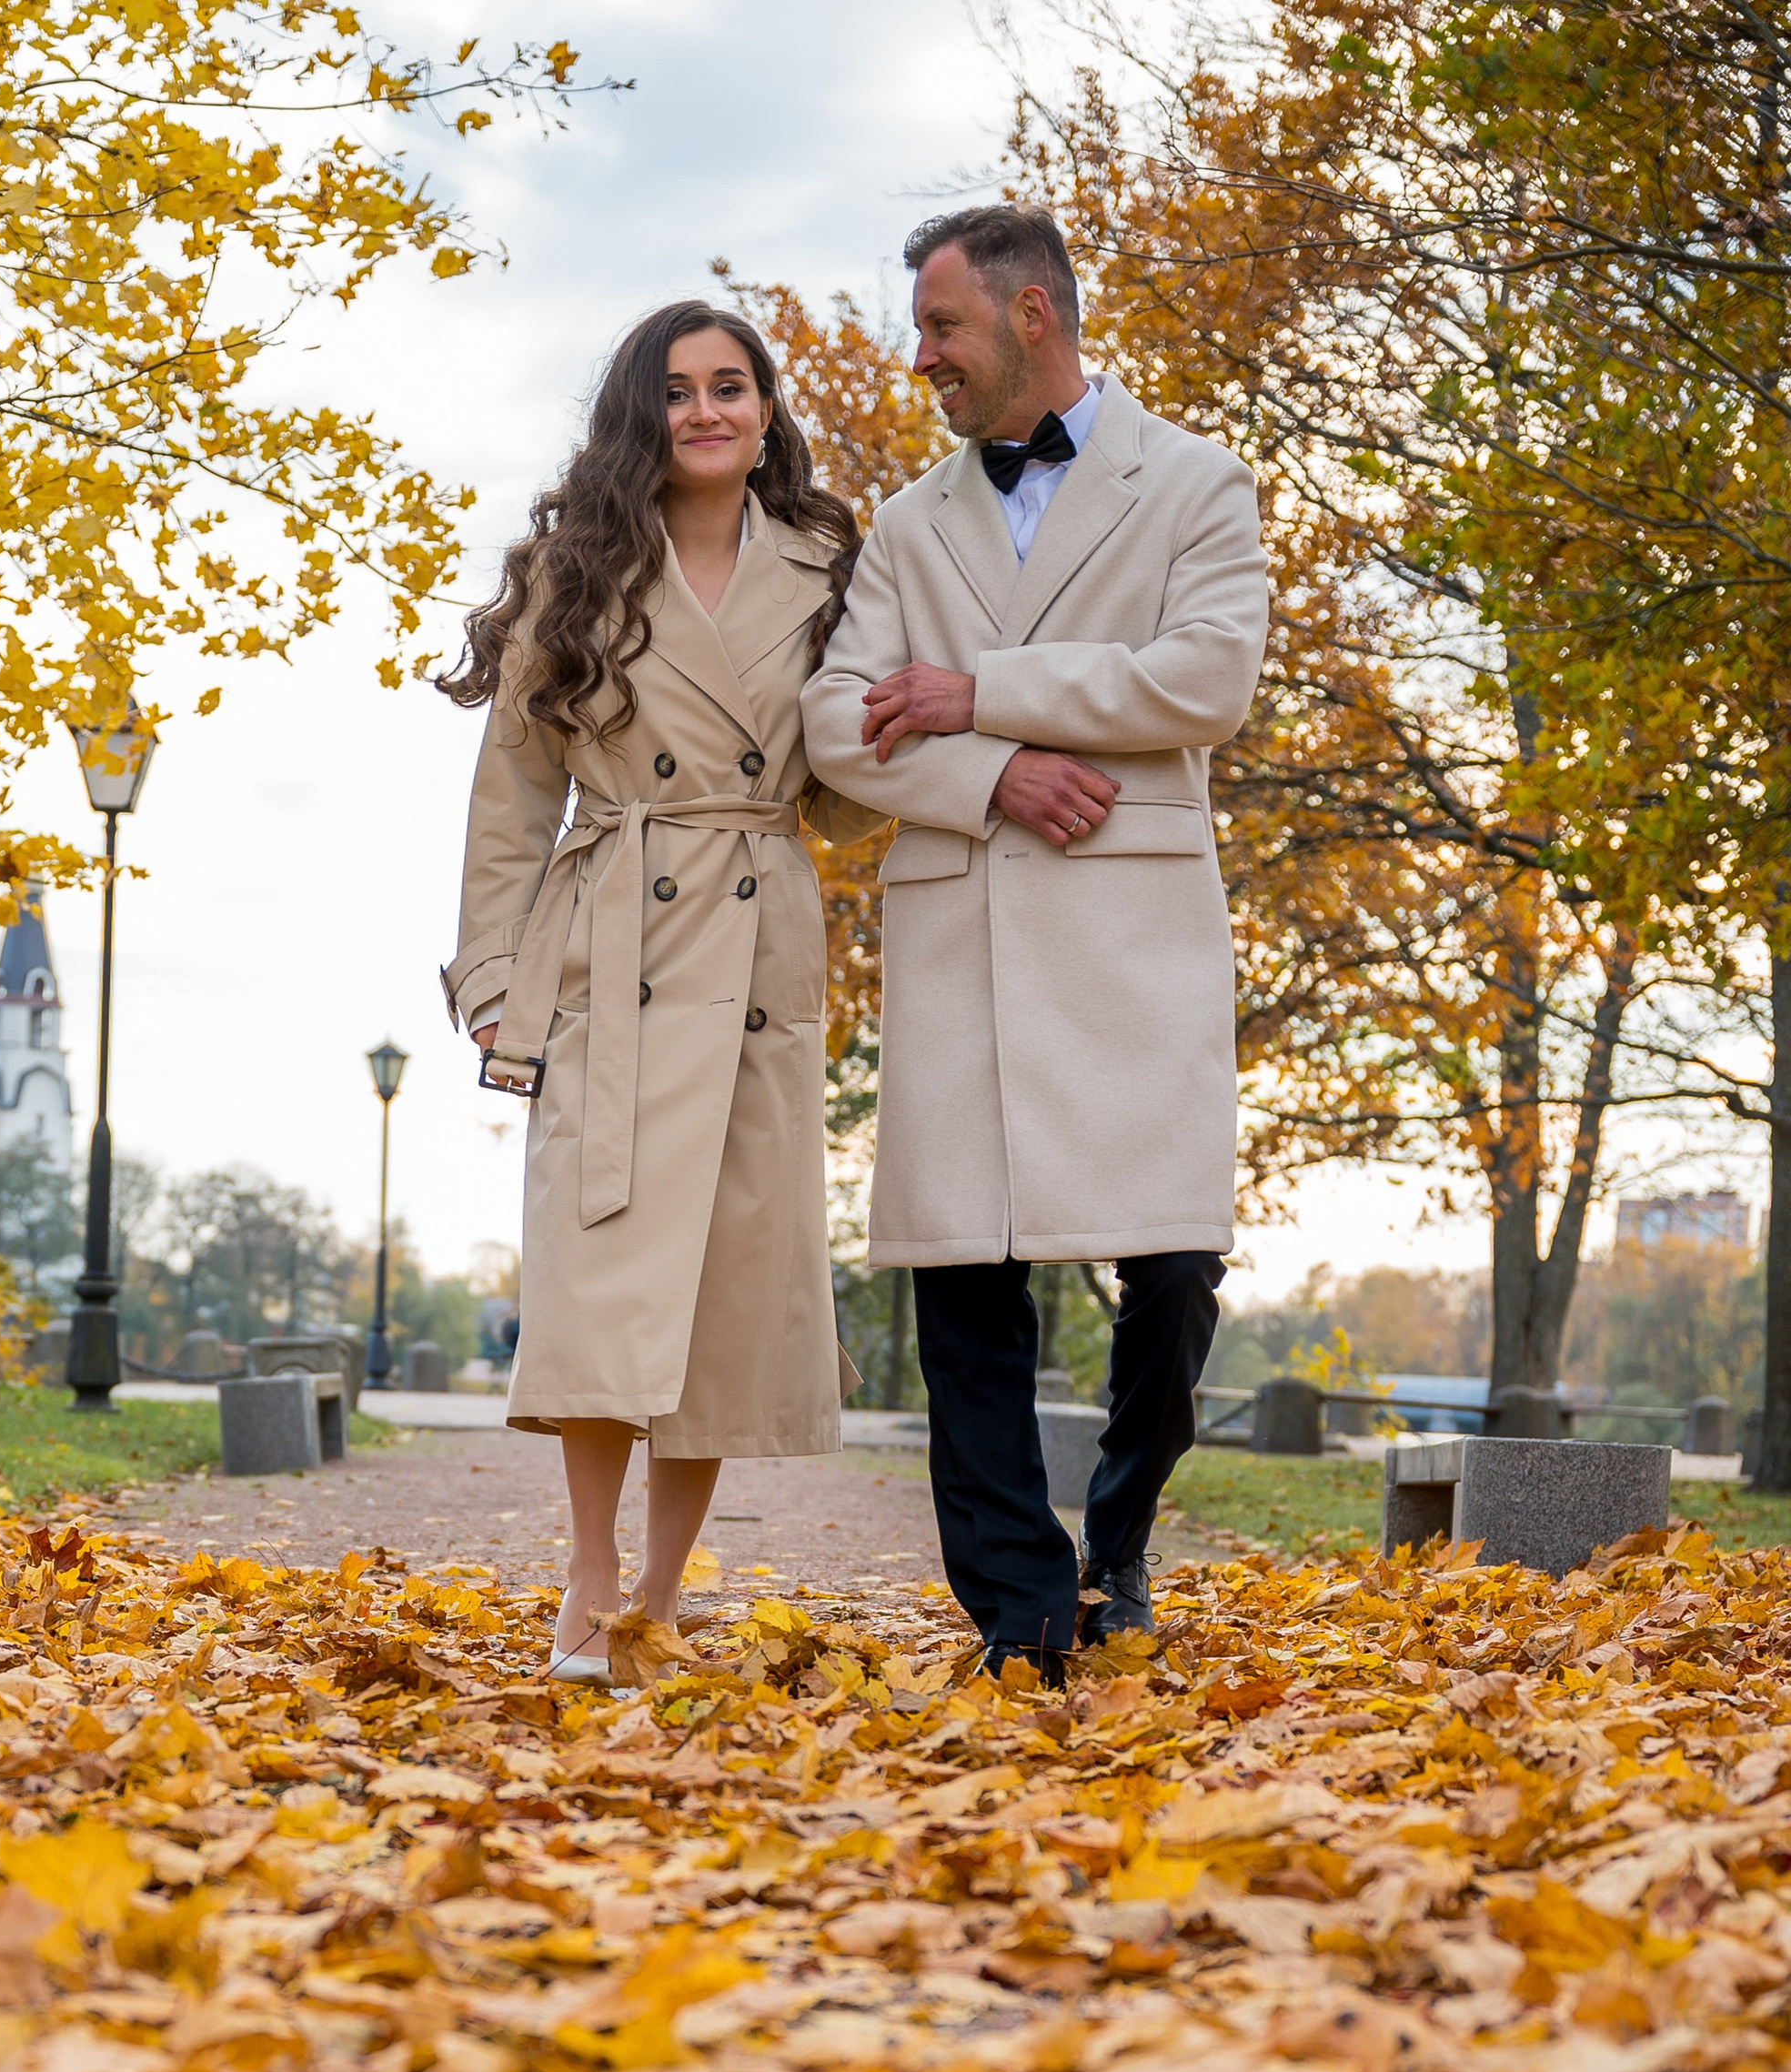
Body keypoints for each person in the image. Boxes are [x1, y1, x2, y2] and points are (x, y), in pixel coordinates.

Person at [802, 204, 1268, 1678]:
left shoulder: (1198, 483)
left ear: (1034, 317)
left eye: (942, 328)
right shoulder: (905, 523)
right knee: (966, 1287)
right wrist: (991, 773)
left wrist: (981, 691)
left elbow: (1205, 679)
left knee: (1178, 1269)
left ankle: (1120, 1536)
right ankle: (1016, 1602)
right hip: (969, 935)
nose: (922, 357)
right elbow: (836, 722)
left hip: (1135, 929)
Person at [439, 301, 867, 1684]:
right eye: (677, 392)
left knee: (722, 1297)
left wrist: (928, 737)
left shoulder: (828, 564)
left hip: (760, 942)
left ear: (763, 409)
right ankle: (585, 1570)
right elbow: (513, 796)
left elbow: (849, 799)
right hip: (609, 948)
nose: (706, 412)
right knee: (601, 1277)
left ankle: (662, 1598)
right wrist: (497, 981)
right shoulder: (579, 570)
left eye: (730, 387)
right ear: (643, 414)